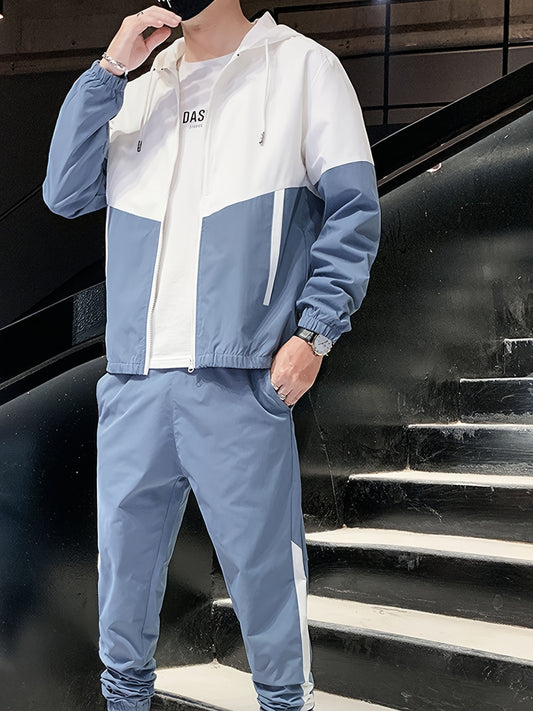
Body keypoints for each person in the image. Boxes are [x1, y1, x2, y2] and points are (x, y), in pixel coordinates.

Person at [43, 0, 380, 709]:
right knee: (121, 588)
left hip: (239, 380)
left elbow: (354, 209)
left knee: (265, 583)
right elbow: (64, 193)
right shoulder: (139, 90)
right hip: (135, 381)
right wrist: (110, 68)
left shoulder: (303, 69)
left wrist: (315, 334)